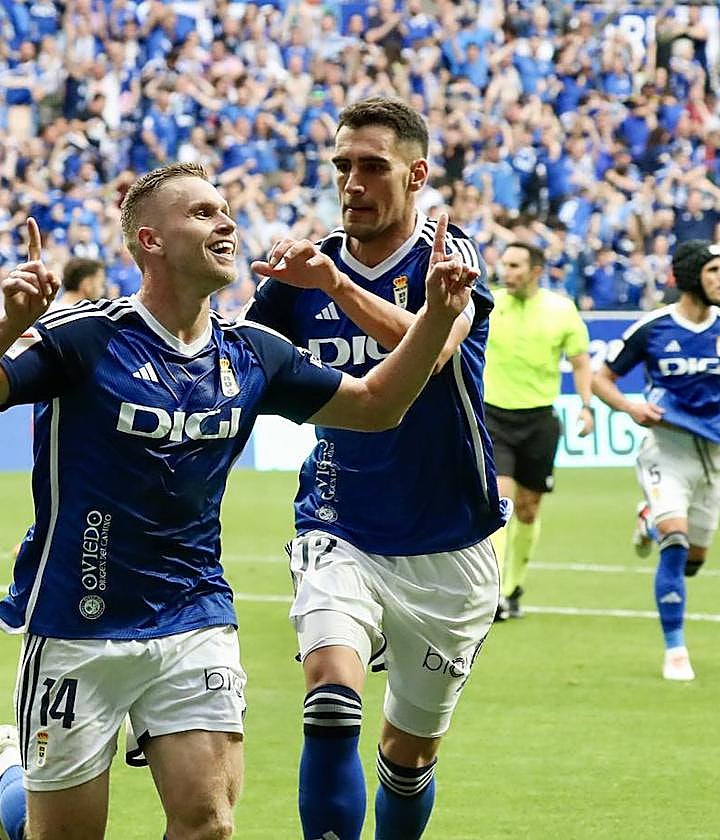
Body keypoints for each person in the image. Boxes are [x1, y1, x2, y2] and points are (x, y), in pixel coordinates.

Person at [0, 161, 477, 840]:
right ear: (151, 240)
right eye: (203, 213)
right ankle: (10, 780)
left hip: (195, 615)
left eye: (227, 211)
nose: (227, 224)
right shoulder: (88, 338)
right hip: (77, 619)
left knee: (209, 824)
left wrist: (435, 319)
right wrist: (9, 324)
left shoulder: (253, 354)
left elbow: (377, 405)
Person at [242, 97, 506, 840]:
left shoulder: (448, 257)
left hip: (450, 541)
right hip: (339, 523)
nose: (352, 183)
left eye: (372, 167)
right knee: (330, 701)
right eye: (342, 166)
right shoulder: (305, 272)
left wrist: (334, 286)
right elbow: (233, 368)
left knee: (407, 754)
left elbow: (431, 350)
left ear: (416, 175)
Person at [592, 239, 720, 682]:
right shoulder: (653, 328)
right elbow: (602, 378)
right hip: (666, 450)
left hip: (713, 457)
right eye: (713, 270)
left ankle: (649, 519)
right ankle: (676, 650)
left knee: (695, 560)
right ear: (691, 276)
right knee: (676, 543)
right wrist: (630, 407)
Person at [483, 241, 594, 621]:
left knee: (529, 510)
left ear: (536, 271)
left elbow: (581, 363)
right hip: (493, 417)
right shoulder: (488, 303)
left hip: (539, 421)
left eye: (515, 265)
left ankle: (513, 588)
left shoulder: (562, 310)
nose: (506, 271)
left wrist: (586, 406)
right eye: (504, 263)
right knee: (500, 503)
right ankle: (494, 591)